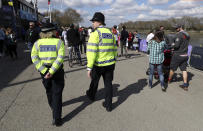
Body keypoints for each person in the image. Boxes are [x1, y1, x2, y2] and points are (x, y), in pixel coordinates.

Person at [31, 23, 65, 126]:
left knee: (49, 90)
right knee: (57, 94)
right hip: (57, 71)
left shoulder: (37, 43)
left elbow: (34, 57)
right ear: (52, 32)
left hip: (44, 72)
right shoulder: (59, 42)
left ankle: (53, 107)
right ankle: (57, 118)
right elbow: (60, 58)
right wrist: (51, 71)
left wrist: (44, 71)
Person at [86, 12, 117, 112]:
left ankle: (91, 95)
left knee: (95, 80)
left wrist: (89, 67)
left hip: (98, 64)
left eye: (93, 22)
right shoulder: (111, 33)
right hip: (110, 64)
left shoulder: (95, 34)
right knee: (108, 84)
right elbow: (114, 49)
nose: (92, 24)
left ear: (98, 22)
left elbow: (91, 52)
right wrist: (114, 60)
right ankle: (108, 105)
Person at [168, 24, 190, 91]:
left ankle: (169, 80)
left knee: (172, 69)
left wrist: (172, 44)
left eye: (176, 28)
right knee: (184, 70)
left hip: (178, 55)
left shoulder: (179, 35)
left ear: (180, 28)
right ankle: (185, 85)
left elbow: (176, 46)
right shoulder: (187, 34)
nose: (175, 29)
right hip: (185, 55)